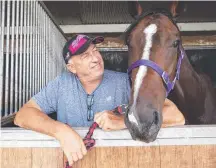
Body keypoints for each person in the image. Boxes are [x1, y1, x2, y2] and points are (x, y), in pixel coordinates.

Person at [14, 34, 185, 166]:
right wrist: (61, 131)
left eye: (95, 50)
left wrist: (123, 122)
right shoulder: (61, 84)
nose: (96, 58)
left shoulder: (125, 82)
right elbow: (23, 115)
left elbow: (176, 116)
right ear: (71, 67)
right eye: (85, 55)